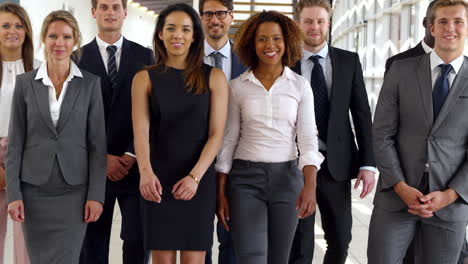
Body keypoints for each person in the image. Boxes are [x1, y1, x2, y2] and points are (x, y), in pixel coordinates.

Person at [216, 10, 324, 264]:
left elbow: (308, 139)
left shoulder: (299, 86)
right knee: (251, 258)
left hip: (287, 180)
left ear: (287, 42)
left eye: (276, 38)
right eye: (262, 39)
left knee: (279, 259)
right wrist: (220, 192)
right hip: (245, 181)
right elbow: (229, 140)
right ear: (252, 44)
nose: (270, 45)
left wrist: (310, 185)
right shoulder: (237, 87)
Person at [369, 0, 468, 263]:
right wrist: (401, 186)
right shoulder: (401, 71)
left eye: (458, 21)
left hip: (450, 202)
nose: (451, 28)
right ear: (431, 27)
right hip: (396, 196)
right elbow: (381, 134)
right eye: (443, 21)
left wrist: (450, 195)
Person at [5, 10, 106, 263]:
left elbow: (97, 146)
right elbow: (16, 144)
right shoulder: (25, 83)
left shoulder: (90, 84)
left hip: (74, 192)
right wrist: (14, 195)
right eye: (52, 36)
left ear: (76, 41)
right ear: (43, 39)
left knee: (69, 258)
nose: (59, 43)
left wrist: (96, 195)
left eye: (66, 37)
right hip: (33, 191)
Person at [132, 3, 228, 264]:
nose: (178, 35)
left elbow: (216, 135)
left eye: (185, 29)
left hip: (197, 180)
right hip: (157, 180)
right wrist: (145, 173)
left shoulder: (214, 78)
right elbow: (141, 132)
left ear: (195, 35)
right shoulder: (144, 78)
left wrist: (194, 178)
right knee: (162, 259)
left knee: (194, 259)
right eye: (171, 28)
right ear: (160, 34)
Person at [289, 0, 375, 263]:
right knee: (300, 245)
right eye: (308, 21)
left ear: (328, 22)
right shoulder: (285, 62)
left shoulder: (348, 61)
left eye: (319, 21)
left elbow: (361, 113)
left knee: (340, 239)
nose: (314, 27)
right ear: (298, 24)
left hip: (336, 164)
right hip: (296, 164)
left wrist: (368, 163)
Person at [77, 0, 154, 263]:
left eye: (115, 7)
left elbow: (154, 110)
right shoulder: (77, 58)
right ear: (93, 12)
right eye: (104, 7)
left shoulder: (145, 57)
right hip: (92, 171)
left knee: (137, 241)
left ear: (124, 12)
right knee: (92, 244)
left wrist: (132, 153)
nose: (110, 12)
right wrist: (102, 158)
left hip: (134, 167)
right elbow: (72, 119)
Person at [198, 0, 247, 263]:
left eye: (220, 13)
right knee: (200, 237)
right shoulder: (188, 59)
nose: (214, 20)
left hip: (239, 159)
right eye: (208, 14)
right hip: (197, 160)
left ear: (231, 16)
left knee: (233, 237)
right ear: (201, 18)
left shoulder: (249, 60)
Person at [0, 3, 37, 264]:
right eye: (5, 25)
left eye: (18, 25)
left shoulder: (41, 69)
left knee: (27, 243)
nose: (12, 31)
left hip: (30, 159)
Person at [384, 0, 438, 76]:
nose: (449, 28)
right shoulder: (397, 63)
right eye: (442, 21)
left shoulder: (459, 64)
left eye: (457, 21)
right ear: (425, 23)